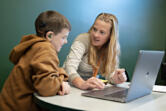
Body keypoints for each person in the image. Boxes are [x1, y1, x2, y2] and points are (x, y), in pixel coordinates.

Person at [0, 10, 71, 111]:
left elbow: (46, 72)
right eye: (64, 37)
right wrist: (61, 83)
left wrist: (59, 74)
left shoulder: (35, 45)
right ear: (50, 36)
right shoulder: (46, 49)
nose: (66, 41)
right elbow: (46, 88)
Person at [63, 13, 127, 90]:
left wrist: (116, 79)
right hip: (67, 86)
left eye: (102, 32)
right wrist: (82, 83)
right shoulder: (83, 39)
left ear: (110, 36)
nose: (96, 35)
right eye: (94, 29)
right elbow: (69, 68)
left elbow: (110, 75)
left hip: (86, 90)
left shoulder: (111, 48)